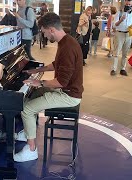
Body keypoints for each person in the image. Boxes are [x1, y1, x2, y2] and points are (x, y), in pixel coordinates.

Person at [13, 12, 84, 162]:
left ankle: (31, 150)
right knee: (32, 94)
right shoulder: (66, 41)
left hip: (69, 96)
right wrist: (36, 71)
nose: (44, 36)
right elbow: (56, 64)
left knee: (27, 110)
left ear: (51, 29)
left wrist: (40, 82)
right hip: (66, 90)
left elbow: (61, 82)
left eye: (44, 32)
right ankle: (28, 131)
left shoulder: (67, 48)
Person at [111, 0, 132, 76]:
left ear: (131, 4)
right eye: (127, 4)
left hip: (128, 35)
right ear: (125, 3)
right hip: (119, 34)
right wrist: (121, 20)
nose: (128, 5)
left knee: (125, 53)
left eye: (130, 4)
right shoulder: (119, 13)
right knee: (116, 52)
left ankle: (123, 69)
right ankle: (114, 69)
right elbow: (114, 25)